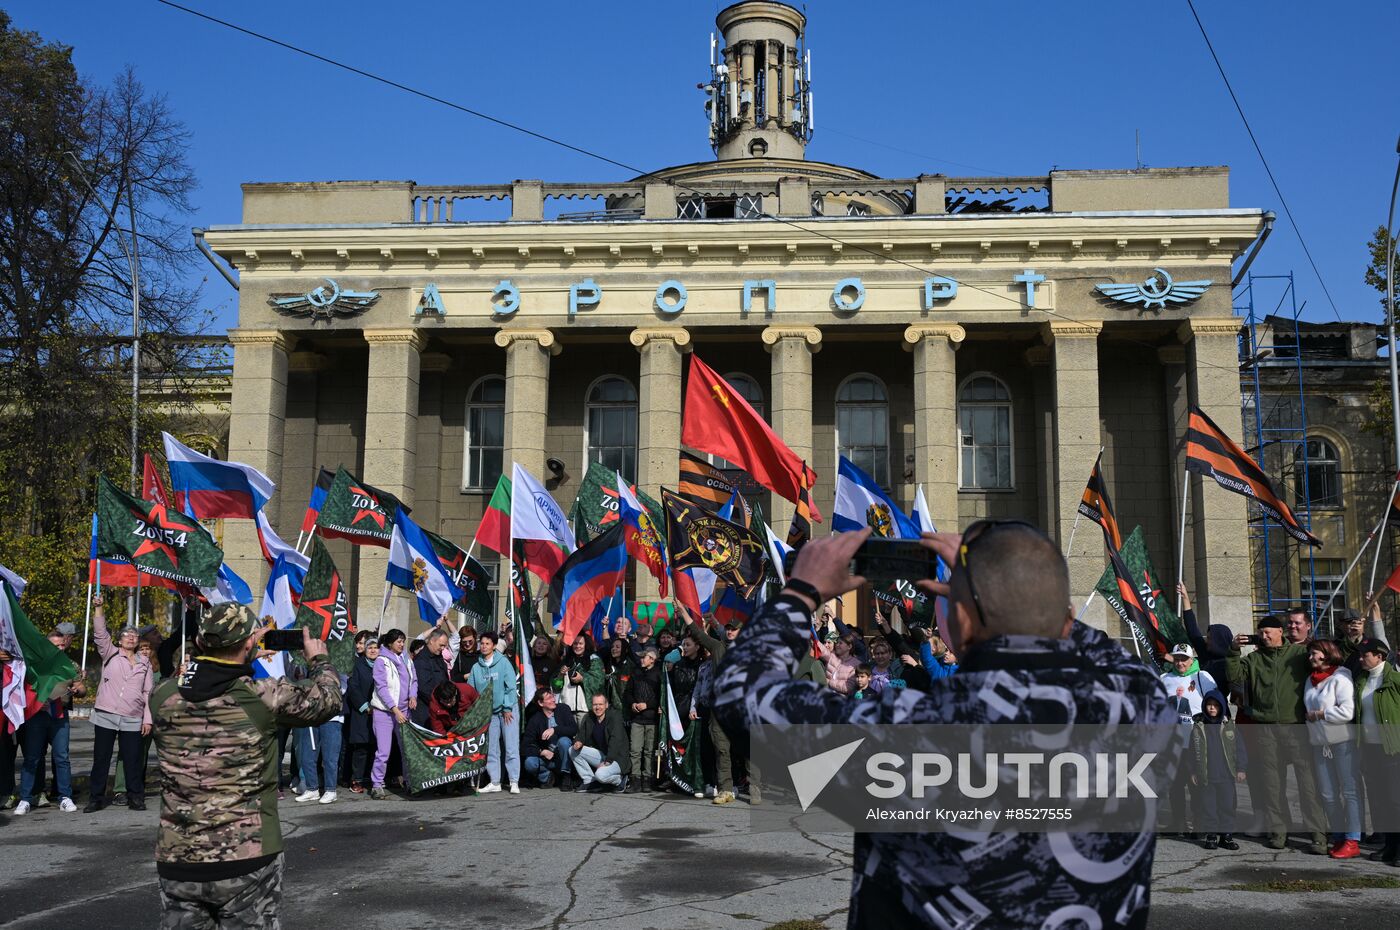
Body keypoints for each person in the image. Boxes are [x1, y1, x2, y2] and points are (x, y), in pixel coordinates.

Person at [713, 522, 1176, 929]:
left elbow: (741, 693)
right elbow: (1103, 652)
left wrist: (799, 593)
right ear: (1065, 619)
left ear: (958, 620)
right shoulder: (1144, 708)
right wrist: (1004, 586)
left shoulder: (914, 731)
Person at [150, 603, 341, 929]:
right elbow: (328, 700)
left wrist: (244, 650)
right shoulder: (263, 696)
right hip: (246, 855)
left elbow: (198, 677)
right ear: (249, 643)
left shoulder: (162, 695)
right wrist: (318, 659)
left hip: (179, 855)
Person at [1228, 615, 1327, 853]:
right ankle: (1279, 832)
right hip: (1265, 728)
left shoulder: (1298, 655)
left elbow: (1327, 659)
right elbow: (1234, 677)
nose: (1264, 636)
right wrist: (1233, 652)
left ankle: (1318, 835)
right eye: (1261, 633)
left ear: (1281, 632)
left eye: (1269, 632)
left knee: (1307, 784)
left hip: (1296, 727)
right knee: (1272, 784)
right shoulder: (1254, 659)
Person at [682, 605, 761, 806]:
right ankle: (725, 790)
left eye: (734, 629)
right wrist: (684, 613)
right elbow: (699, 635)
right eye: (728, 629)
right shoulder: (718, 648)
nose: (730, 631)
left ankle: (755, 789)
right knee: (722, 750)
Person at [82, 594, 155, 812]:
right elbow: (100, 634)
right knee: (101, 758)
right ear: (120, 639)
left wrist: (147, 719)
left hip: (133, 717)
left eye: (134, 635)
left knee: (132, 760)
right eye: (126, 635)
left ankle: (135, 797)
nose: (131, 638)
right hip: (106, 714)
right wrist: (99, 608)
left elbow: (148, 692)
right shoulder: (110, 653)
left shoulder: (145, 663)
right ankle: (96, 798)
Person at [1303, 639, 1359, 858]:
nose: (1310, 657)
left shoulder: (1341, 677)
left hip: (1342, 742)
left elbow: (1347, 712)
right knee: (1328, 793)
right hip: (1319, 744)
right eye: (1309, 654)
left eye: (1314, 653)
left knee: (1349, 791)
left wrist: (1321, 715)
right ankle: (1338, 836)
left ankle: (1352, 839)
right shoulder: (1310, 680)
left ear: (1327, 654)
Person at [1354, 637, 1400, 865]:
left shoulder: (1394, 679)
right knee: (1380, 799)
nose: (1361, 659)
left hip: (1392, 748)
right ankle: (1388, 846)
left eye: (1365, 655)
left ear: (1379, 656)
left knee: (1394, 799)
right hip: (1369, 748)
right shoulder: (1362, 679)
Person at [1190, 690, 1246, 851]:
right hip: (1207, 776)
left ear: (1222, 707)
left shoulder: (1229, 727)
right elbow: (1192, 752)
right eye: (1209, 705)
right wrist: (1193, 771)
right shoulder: (1198, 728)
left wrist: (1241, 768)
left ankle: (1226, 836)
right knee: (1209, 807)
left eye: (1216, 705)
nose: (1212, 708)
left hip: (1226, 775)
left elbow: (1240, 749)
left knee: (1227, 806)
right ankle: (1211, 835)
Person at [466, 630, 521, 794]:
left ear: (494, 646)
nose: (483, 646)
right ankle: (495, 781)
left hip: (507, 711)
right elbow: (471, 691)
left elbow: (511, 687)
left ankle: (513, 781)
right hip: (488, 714)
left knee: (511, 746)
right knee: (491, 748)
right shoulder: (476, 667)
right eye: (482, 643)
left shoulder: (503, 663)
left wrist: (507, 707)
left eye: (487, 644)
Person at [369, 629, 417, 800]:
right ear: (390, 643)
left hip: (404, 711)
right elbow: (382, 688)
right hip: (385, 712)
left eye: (403, 641)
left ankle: (410, 782)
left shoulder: (406, 659)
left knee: (406, 750)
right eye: (398, 641)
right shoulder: (381, 661)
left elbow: (413, 679)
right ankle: (377, 784)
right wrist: (394, 709)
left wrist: (413, 695)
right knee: (383, 751)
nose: (402, 644)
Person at [1177, 583, 1234, 699]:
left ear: (1219, 641)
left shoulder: (1231, 663)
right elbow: (1193, 631)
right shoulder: (1206, 655)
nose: (1206, 641)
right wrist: (1185, 597)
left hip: (1217, 709)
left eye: (1209, 638)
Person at [572, 692, 629, 792]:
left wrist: (608, 761)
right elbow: (582, 734)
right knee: (572, 750)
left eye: (600, 704)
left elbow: (615, 741)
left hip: (617, 758)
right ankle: (590, 781)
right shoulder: (590, 717)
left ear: (606, 705)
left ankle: (620, 781)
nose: (597, 707)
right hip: (602, 755)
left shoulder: (614, 716)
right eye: (595, 704)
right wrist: (578, 741)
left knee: (600, 775)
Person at [622, 645, 660, 792]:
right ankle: (635, 780)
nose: (641, 659)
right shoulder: (635, 672)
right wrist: (633, 703)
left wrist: (648, 705)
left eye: (644, 657)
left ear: (652, 659)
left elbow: (661, 697)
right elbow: (627, 693)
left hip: (652, 719)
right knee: (635, 750)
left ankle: (647, 780)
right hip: (637, 719)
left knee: (650, 751)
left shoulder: (658, 675)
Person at [523, 688, 577, 788]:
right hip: (548, 759)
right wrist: (541, 751)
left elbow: (574, 729)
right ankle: (547, 777)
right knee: (530, 763)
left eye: (553, 696)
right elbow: (525, 745)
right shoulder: (535, 719)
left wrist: (554, 729)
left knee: (564, 741)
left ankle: (566, 776)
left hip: (564, 757)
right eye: (549, 698)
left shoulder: (563, 709)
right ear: (540, 703)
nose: (553, 700)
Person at [344, 632, 377, 793]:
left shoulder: (383, 664)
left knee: (375, 747)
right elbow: (353, 687)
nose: (372, 650)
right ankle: (356, 779)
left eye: (375, 647)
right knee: (361, 748)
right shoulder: (358, 665)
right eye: (369, 647)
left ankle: (371, 778)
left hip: (380, 713)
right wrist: (364, 706)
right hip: (363, 712)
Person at [412, 628, 451, 726]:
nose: (443, 648)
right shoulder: (421, 660)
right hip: (426, 712)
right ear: (432, 641)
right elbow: (424, 688)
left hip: (439, 708)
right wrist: (441, 702)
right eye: (441, 645)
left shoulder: (438, 657)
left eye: (444, 646)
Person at [816, 630, 862, 696]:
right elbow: (822, 649)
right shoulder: (832, 656)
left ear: (849, 646)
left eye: (840, 643)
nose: (837, 645)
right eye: (837, 643)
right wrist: (812, 637)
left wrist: (829, 682)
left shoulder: (856, 664)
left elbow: (848, 687)